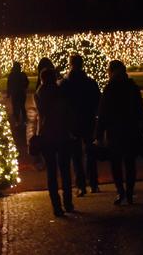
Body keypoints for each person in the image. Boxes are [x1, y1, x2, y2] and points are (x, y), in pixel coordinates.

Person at [96, 59, 143, 206]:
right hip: (130, 129)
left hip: (115, 131)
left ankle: (121, 191)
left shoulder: (110, 88)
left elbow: (103, 112)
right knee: (130, 163)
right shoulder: (132, 87)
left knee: (116, 163)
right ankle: (129, 192)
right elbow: (140, 109)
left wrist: (99, 134)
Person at [35, 67, 74, 216]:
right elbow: (67, 112)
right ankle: (68, 202)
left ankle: (57, 206)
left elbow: (39, 116)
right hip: (62, 134)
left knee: (51, 172)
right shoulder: (60, 92)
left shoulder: (39, 93)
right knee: (65, 170)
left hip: (47, 135)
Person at [60, 53, 101, 195]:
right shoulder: (90, 82)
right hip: (88, 119)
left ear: (70, 64)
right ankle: (94, 183)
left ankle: (80, 185)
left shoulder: (65, 83)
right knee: (90, 151)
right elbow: (97, 101)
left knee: (76, 154)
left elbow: (62, 104)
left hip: (73, 122)